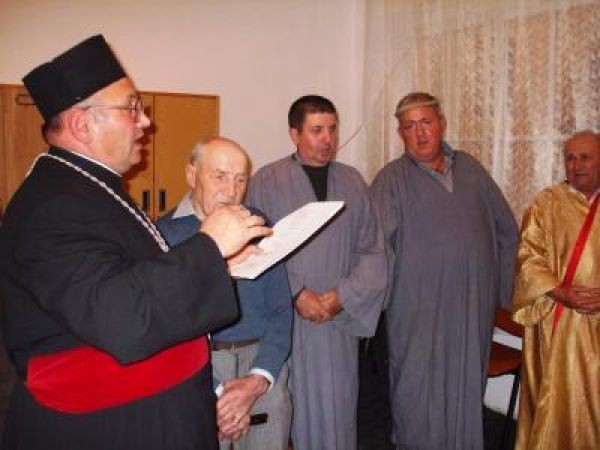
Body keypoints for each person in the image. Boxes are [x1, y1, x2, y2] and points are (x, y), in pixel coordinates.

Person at [0, 35, 270, 450]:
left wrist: (219, 266)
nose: (145, 121)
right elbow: (123, 319)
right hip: (107, 429)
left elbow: (129, 279)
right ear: (82, 124)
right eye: (131, 108)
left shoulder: (90, 187)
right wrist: (209, 246)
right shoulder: (51, 206)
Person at [371, 92, 518, 450]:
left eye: (426, 122)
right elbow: (374, 247)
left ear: (441, 123)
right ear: (401, 134)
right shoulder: (391, 179)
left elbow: (506, 228)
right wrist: (377, 303)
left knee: (467, 384)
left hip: (471, 307)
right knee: (415, 387)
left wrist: (501, 293)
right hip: (417, 310)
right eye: (409, 127)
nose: (419, 133)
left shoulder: (471, 169)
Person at [245, 95, 387, 450]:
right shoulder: (267, 180)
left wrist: (344, 296)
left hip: (338, 317)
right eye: (317, 130)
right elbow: (257, 247)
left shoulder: (353, 181)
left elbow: (374, 250)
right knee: (287, 408)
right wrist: (296, 293)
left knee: (340, 406)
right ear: (295, 134)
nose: (328, 139)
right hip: (288, 317)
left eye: (332, 129)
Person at [156, 137, 293, 450]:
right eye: (220, 176)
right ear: (192, 175)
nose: (231, 191)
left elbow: (281, 309)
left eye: (241, 179)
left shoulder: (257, 225)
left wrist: (258, 379)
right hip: (198, 367)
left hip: (263, 363)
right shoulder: (163, 236)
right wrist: (221, 394)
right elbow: (166, 326)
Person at [512, 130, 600, 450]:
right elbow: (527, 258)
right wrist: (560, 291)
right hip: (553, 323)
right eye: (569, 158)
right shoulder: (545, 203)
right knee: (552, 406)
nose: (576, 165)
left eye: (585, 157)